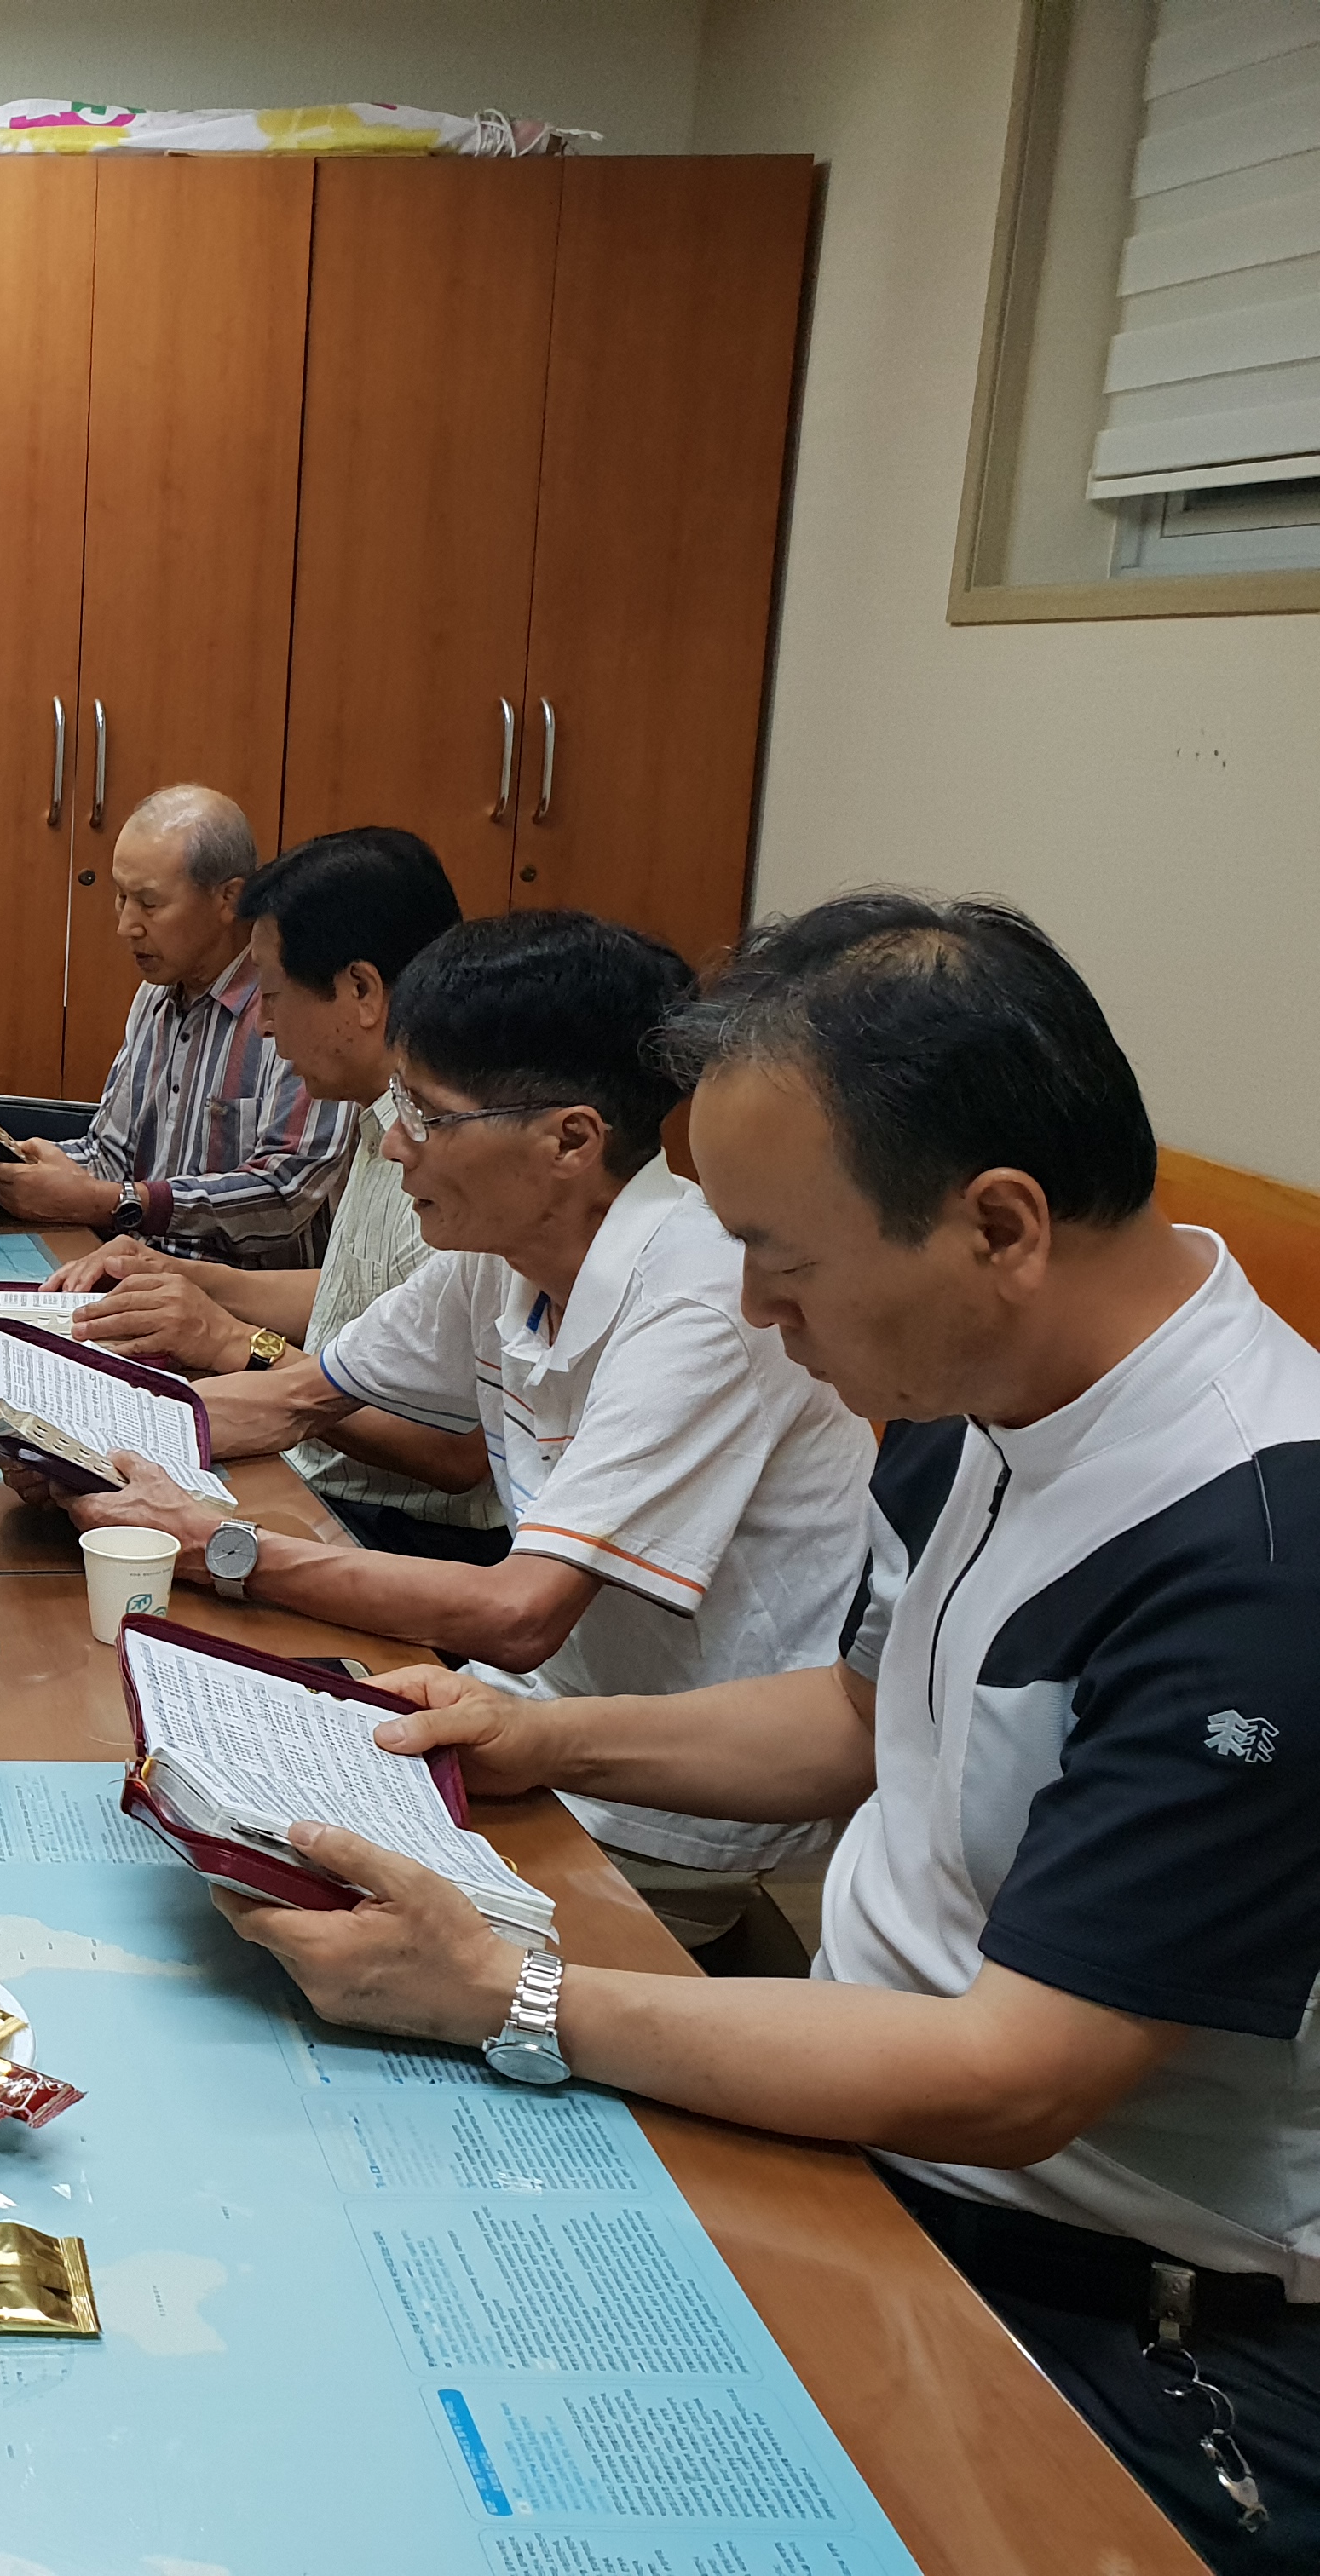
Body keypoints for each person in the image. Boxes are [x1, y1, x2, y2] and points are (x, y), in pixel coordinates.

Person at [227, 895, 1320, 2565]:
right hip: (873, 2144)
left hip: (1117, 2322)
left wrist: (516, 1994)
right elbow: (867, 1720)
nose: (749, 1308)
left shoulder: (1250, 1557)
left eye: (781, 1259)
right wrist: (543, 1743)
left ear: (999, 1225)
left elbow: (1015, 2076)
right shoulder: (982, 1396)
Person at [19, 908, 873, 1949]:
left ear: (570, 1142)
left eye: (426, 1114)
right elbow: (294, 1397)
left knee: (218, 1914)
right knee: (147, 1800)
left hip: (657, 1813)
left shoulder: (699, 1302)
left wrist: (223, 1549)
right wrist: (71, 1441)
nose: (393, 1144)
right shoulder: (504, 1249)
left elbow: (521, 1614)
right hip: (519, 1721)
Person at [38, 826, 506, 1563]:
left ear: (360, 991)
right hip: (316, 1478)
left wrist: (234, 1344)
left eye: (275, 994)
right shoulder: (379, 1117)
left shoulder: (449, 1153)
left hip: (398, 1533)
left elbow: (457, 1451)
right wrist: (190, 1278)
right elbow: (364, 1296)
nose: (261, 1023)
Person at [0, 784, 354, 1266]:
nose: (126, 926)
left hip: (236, 1296)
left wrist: (116, 1201)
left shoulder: (292, 1011)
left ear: (229, 898)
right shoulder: (155, 997)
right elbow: (110, 1157)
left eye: (149, 903)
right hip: (134, 1271)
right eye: (120, 897)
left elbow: (285, 1193)